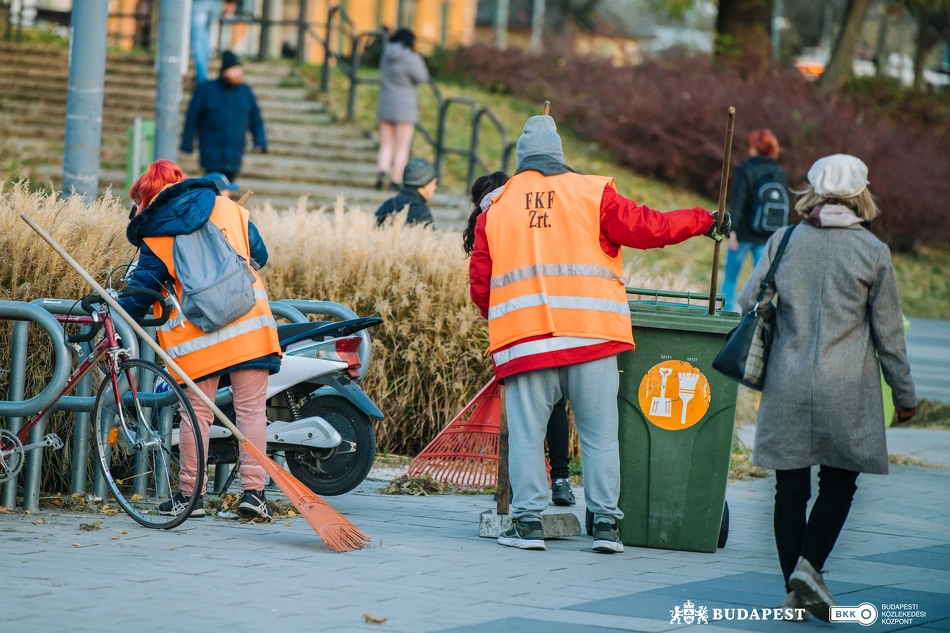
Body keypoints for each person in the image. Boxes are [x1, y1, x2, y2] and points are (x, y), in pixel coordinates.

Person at [469, 116, 729, 553]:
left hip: (526, 342)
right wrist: (704, 220)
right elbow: (651, 228)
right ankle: (607, 525)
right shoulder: (593, 194)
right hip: (591, 339)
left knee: (529, 437)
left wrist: (507, 320)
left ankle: (528, 524)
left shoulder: (495, 208)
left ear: (520, 159)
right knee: (600, 436)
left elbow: (482, 284)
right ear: (559, 156)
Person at [737, 154, 917, 621]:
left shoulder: (786, 239)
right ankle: (809, 569)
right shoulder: (873, 253)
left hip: (788, 380)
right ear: (861, 195)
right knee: (839, 483)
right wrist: (904, 395)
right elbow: (889, 334)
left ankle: (793, 592)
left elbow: (747, 300)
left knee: (789, 489)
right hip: (847, 386)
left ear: (812, 192)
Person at [118, 160, 281, 520]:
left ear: (146, 198)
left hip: (198, 339)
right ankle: (254, 496)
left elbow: (139, 293)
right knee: (252, 413)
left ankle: (191, 499)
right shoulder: (228, 208)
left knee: (195, 416)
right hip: (249, 327)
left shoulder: (156, 231)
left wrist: (114, 309)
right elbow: (261, 256)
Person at [464, 172, 577, 507]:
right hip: (553, 316)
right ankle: (560, 481)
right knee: (555, 403)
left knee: (521, 409)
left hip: (512, 325)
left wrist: (494, 316)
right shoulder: (527, 209)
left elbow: (480, 286)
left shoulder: (486, 219)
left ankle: (517, 486)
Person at [723, 129, 790, 312]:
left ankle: (726, 314)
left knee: (731, 277)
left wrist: (732, 231)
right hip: (768, 236)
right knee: (762, 282)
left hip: (744, 234)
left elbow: (739, 201)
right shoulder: (779, 173)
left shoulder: (745, 169)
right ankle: (756, 316)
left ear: (754, 147)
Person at [181, 51, 267, 182]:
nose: (239, 73)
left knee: (229, 188)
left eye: (240, 69)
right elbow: (192, 118)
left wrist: (259, 141)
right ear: (225, 70)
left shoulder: (246, 92)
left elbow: (256, 119)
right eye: (235, 69)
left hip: (234, 154)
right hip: (211, 153)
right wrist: (187, 143)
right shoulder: (206, 90)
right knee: (214, 185)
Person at [375, 29, 429, 191]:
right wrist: (418, 57)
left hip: (385, 103)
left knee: (386, 144)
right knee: (402, 146)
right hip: (404, 107)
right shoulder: (411, 58)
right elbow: (422, 77)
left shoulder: (386, 54)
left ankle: (382, 170)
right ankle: (395, 179)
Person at [375, 158, 437, 227]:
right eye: (434, 183)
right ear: (425, 184)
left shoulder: (388, 204)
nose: (435, 187)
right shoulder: (421, 212)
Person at [191, 0, 235, 84]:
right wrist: (231, 1)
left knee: (199, 41)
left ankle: (201, 80)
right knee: (205, 39)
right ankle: (201, 75)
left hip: (200, 3)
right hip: (217, 3)